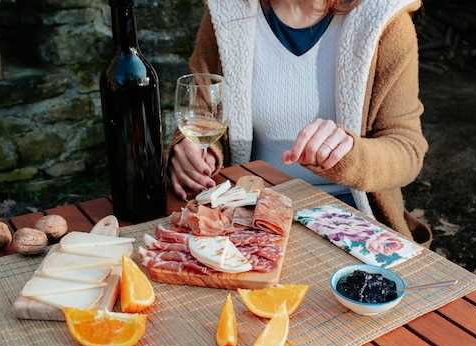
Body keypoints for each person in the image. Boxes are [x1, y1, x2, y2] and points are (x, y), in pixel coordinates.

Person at [169, 0, 431, 245]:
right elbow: (202, 113)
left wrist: (350, 153)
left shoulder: (383, 19)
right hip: (250, 207)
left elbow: (407, 149)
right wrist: (197, 152)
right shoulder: (226, 12)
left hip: (347, 212)